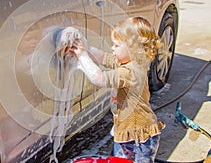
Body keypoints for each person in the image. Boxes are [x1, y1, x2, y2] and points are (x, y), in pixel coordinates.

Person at [70, 17, 165, 163]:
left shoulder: (131, 72)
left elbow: (99, 79)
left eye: (116, 45)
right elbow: (104, 58)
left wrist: (82, 56)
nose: (112, 49)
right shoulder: (129, 61)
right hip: (126, 132)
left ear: (133, 49)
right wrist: (86, 48)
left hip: (139, 139)